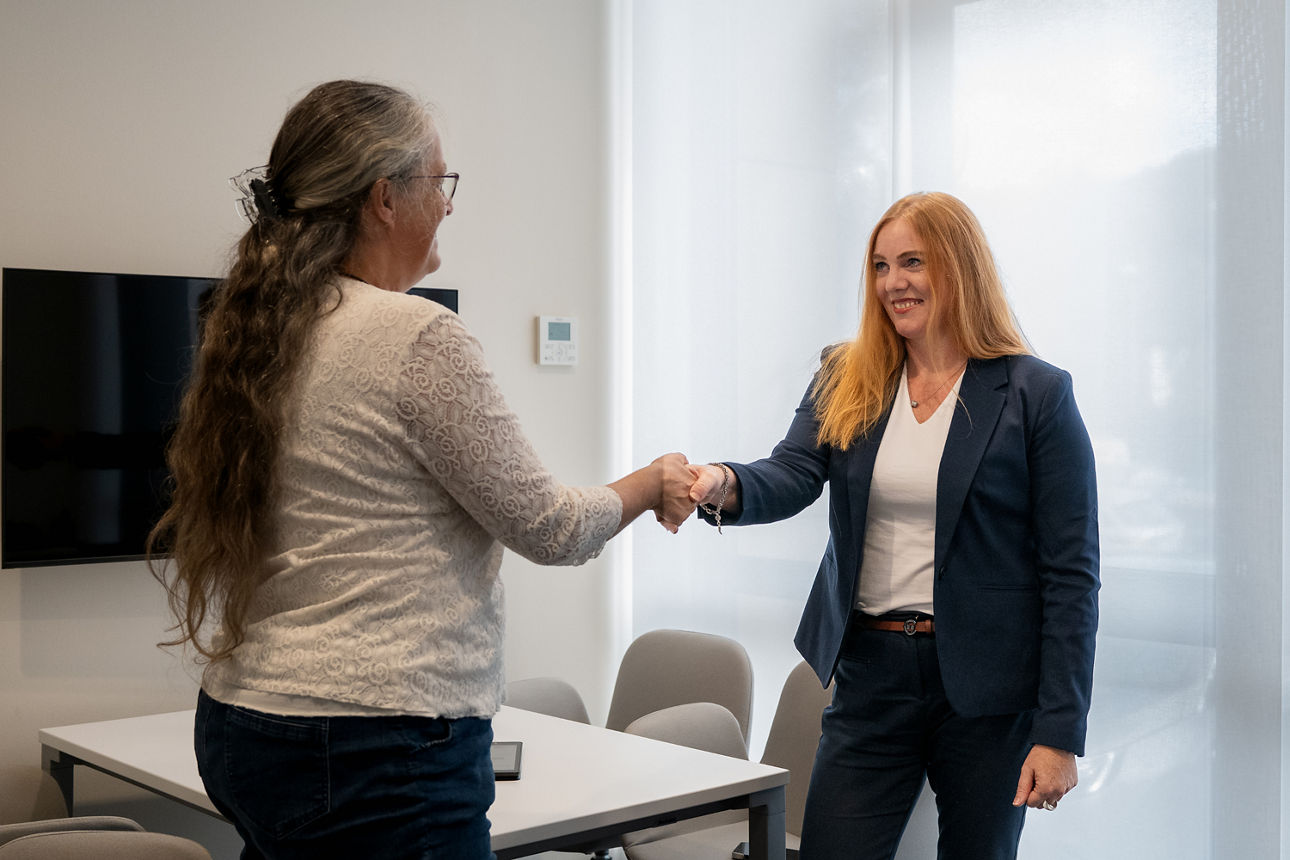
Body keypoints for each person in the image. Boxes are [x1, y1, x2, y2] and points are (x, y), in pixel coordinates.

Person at [147, 80, 692, 860]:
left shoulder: (267, 327)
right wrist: (651, 483)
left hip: (246, 724)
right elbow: (551, 528)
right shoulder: (415, 334)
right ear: (384, 199)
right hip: (377, 746)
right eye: (440, 181)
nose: (448, 203)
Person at [682, 192, 1099, 859]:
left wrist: (1059, 732)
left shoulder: (1035, 394)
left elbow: (1071, 574)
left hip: (989, 689)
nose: (892, 282)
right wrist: (722, 484)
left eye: (913, 262)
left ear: (959, 268)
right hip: (872, 670)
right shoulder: (847, 373)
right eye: (880, 266)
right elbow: (792, 472)